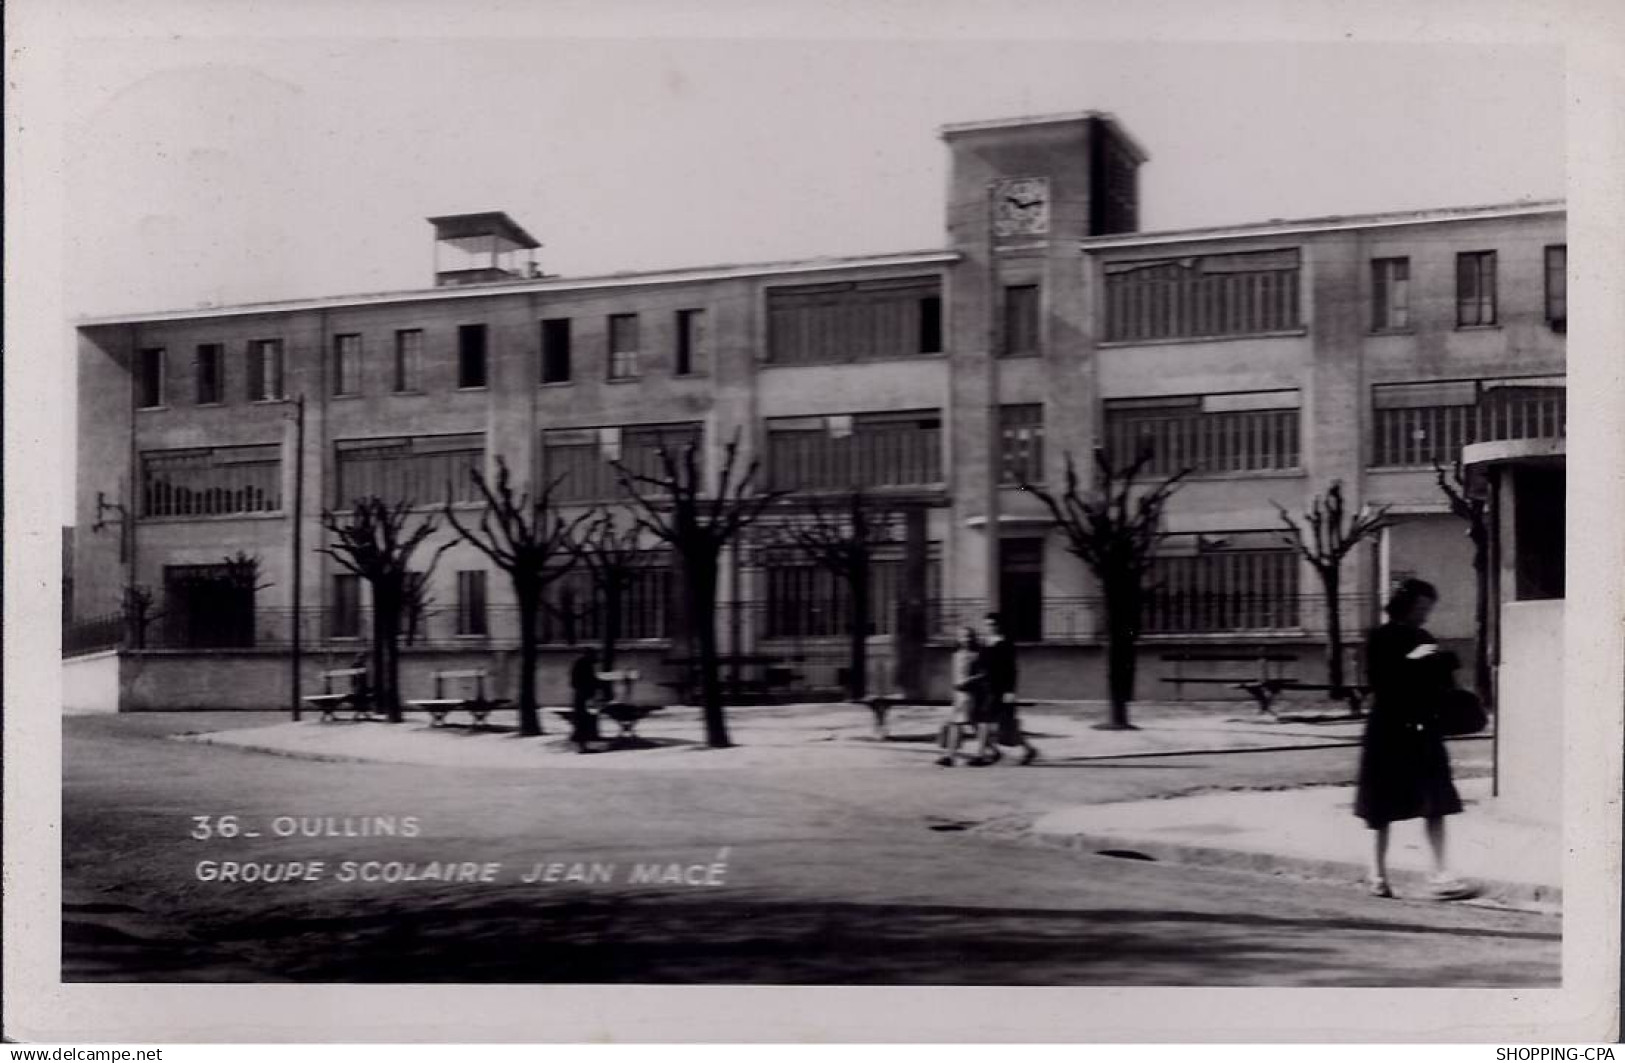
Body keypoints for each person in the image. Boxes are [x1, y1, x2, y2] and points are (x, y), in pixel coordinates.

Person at [1356, 578, 1474, 900]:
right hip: (1388, 731)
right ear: (1403, 605)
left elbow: (1440, 682)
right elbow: (1380, 682)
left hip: (1423, 730)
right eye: (1420, 608)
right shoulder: (1379, 637)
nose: (1424, 615)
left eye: (1428, 608)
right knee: (1379, 807)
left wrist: (1444, 666)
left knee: (1435, 803)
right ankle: (1376, 875)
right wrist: (1415, 660)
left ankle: (1440, 873)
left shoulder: (1424, 636)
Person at [970, 612, 1039, 766]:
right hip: (984, 688)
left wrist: (1010, 691)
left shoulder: (1006, 643)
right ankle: (1028, 750)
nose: (989, 627)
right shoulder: (984, 643)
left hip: (999, 689)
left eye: (992, 624)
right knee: (1000, 723)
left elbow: (1012, 670)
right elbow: (980, 665)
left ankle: (981, 755)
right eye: (987, 624)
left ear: (999, 626)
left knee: (987, 721)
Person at [936, 627, 984, 767]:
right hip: (958, 694)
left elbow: (982, 674)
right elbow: (955, 676)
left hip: (969, 693)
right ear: (958, 639)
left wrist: (968, 681)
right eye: (962, 636)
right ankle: (992, 750)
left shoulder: (976, 655)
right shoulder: (956, 655)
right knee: (972, 724)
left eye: (969, 636)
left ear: (973, 638)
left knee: (956, 724)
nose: (966, 639)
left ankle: (950, 756)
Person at [568, 647, 607, 753]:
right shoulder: (584, 664)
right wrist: (597, 684)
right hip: (584, 696)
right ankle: (581, 746)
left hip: (582, 696)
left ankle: (582, 745)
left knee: (583, 720)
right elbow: (585, 680)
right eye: (594, 655)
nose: (596, 658)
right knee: (583, 720)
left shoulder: (582, 664)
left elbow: (576, 681)